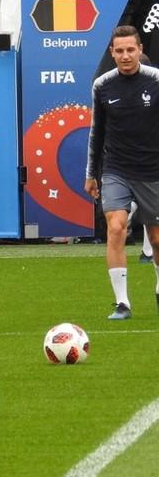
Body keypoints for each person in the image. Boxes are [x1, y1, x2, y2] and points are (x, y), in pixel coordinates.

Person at [84, 26, 159, 320]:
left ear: (139, 49)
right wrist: (92, 173)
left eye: (130, 49)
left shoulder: (156, 81)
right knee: (115, 227)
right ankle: (122, 303)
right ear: (112, 53)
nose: (125, 56)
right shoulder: (102, 85)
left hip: (153, 170)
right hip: (116, 168)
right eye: (119, 51)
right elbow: (96, 132)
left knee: (156, 238)